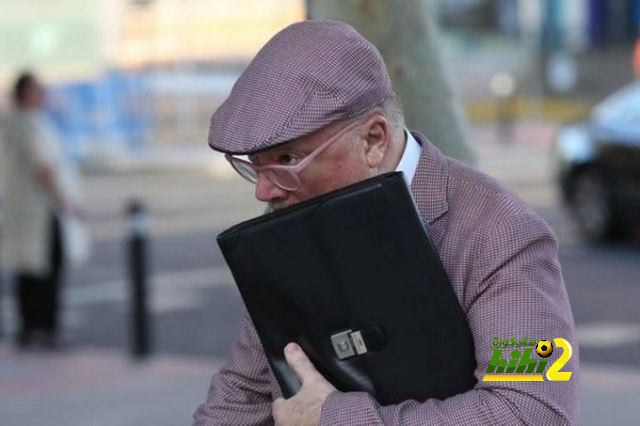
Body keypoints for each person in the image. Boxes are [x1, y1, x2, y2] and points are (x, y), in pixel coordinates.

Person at [194, 20, 579, 425]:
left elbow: (531, 409)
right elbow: (240, 397)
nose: (265, 192)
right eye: (255, 166)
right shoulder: (289, 220)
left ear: (374, 139)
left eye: (288, 159)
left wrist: (337, 419)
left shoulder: (498, 231)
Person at [0, 72, 86, 349]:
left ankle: (28, 328)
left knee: (28, 269)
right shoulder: (31, 125)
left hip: (18, 207)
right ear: (27, 94)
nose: (44, 94)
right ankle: (48, 328)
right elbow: (44, 168)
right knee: (49, 267)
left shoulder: (10, 123)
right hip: (40, 209)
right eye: (38, 90)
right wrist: (66, 202)